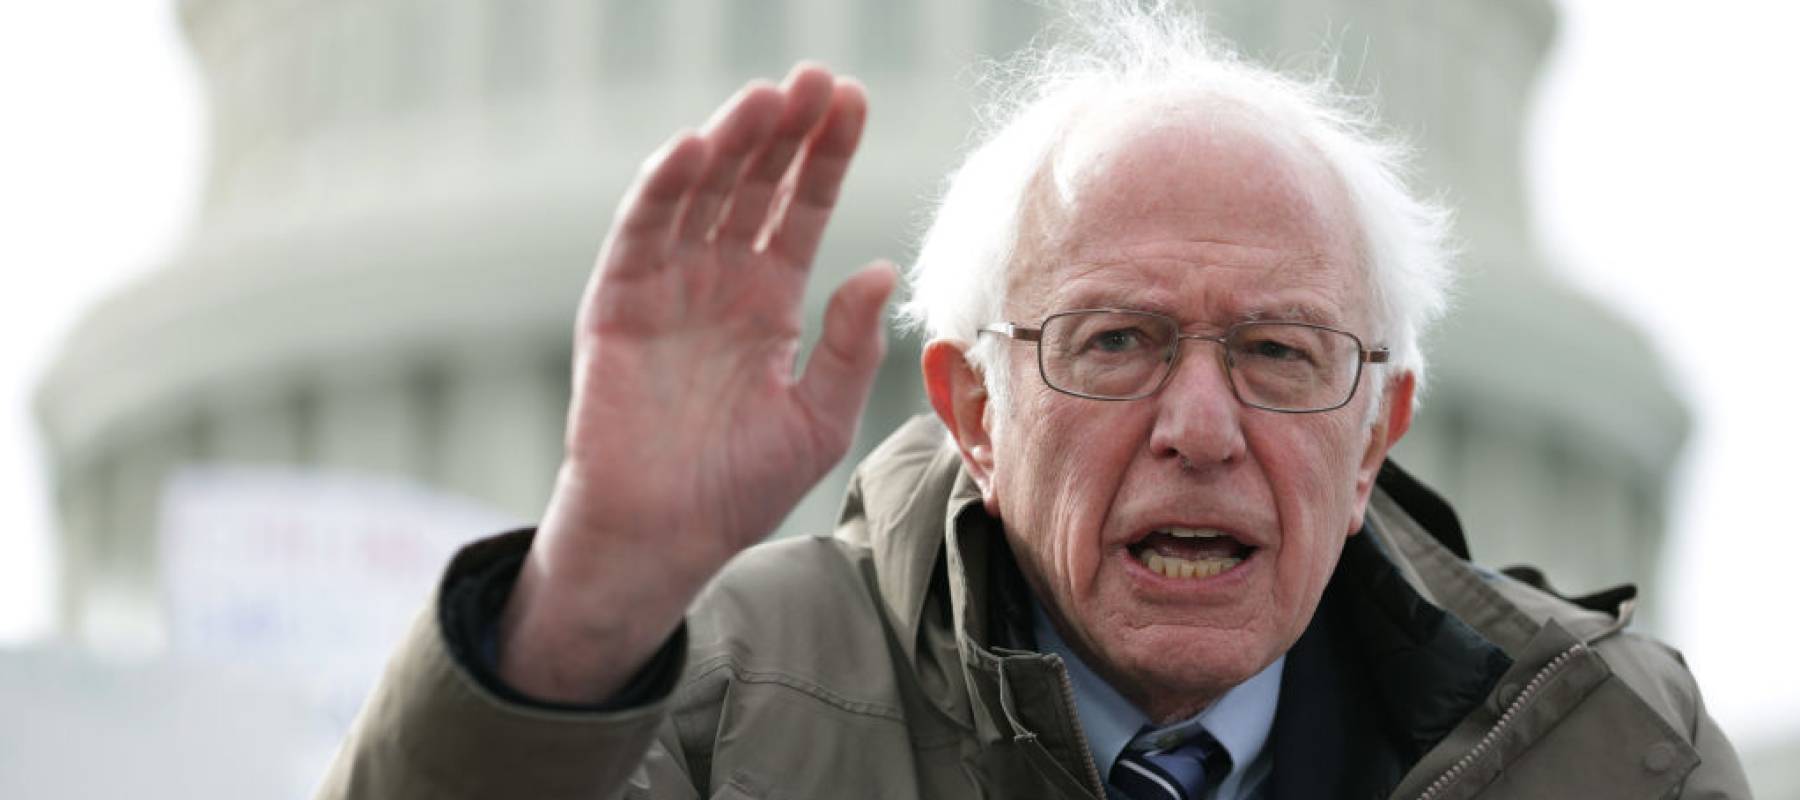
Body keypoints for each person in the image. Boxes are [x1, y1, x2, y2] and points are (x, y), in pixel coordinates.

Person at [317, 5, 1748, 799]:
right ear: (975, 413)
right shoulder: (719, 710)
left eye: (1281, 353)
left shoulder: (1613, 755)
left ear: (1377, 432)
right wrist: (587, 603)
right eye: (1116, 342)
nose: (1201, 429)